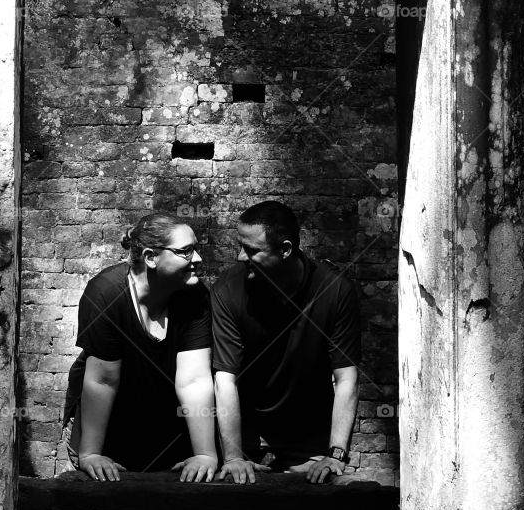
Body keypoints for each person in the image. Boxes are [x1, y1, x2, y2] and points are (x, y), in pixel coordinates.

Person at [212, 200, 361, 485]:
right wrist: (232, 456)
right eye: (240, 245)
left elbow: (346, 377)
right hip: (248, 440)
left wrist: (336, 454)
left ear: (285, 250)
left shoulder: (335, 291)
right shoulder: (228, 290)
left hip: (311, 441)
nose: (240, 257)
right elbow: (225, 379)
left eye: (252, 250)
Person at [63, 212, 218, 482]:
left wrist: (205, 454)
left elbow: (194, 380)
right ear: (150, 257)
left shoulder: (195, 296)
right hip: (109, 435)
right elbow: (102, 380)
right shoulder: (105, 293)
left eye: (196, 249)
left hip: (167, 435)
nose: (198, 259)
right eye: (186, 251)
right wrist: (90, 453)